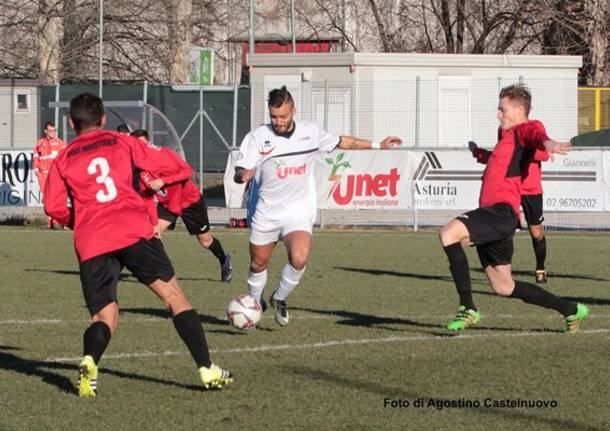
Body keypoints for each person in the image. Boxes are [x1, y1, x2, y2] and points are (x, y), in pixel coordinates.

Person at [43, 93, 233, 397]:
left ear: (70, 123)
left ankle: (90, 360)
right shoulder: (123, 142)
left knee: (104, 316)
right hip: (133, 229)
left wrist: (80, 222)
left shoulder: (63, 158)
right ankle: (207, 369)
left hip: (93, 240)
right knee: (174, 297)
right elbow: (171, 165)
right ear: (103, 119)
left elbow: (52, 207)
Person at [234, 86, 402, 326]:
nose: (278, 121)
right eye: (273, 116)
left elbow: (345, 142)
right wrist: (243, 175)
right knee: (258, 263)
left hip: (298, 210)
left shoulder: (310, 132)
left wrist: (378, 145)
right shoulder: (258, 137)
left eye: (283, 116)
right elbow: (240, 171)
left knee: (299, 258)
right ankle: (253, 302)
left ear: (294, 111)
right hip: (267, 211)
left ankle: (279, 298)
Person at [439, 83, 588, 333]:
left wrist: (548, 143)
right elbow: (501, 161)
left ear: (519, 110)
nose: (498, 114)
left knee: (448, 233)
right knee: (504, 286)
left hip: (500, 212)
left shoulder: (523, 130)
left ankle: (468, 307)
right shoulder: (505, 137)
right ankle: (571, 310)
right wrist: (480, 154)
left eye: (502, 109)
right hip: (497, 216)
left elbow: (536, 131)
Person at [130, 129, 233, 283]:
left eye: (144, 144)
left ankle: (224, 260)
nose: (143, 148)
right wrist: (153, 223)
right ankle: (159, 271)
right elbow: (148, 199)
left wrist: (163, 181)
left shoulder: (165, 154)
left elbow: (187, 171)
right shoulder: (139, 171)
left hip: (189, 202)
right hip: (167, 205)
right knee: (152, 233)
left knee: (205, 241)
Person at [469, 140, 550, 283]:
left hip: (531, 190)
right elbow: (496, 158)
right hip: (509, 189)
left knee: (536, 232)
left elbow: (544, 155)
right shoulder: (507, 134)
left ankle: (540, 268)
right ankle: (503, 273)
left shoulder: (529, 133)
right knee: (506, 229)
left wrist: (534, 149)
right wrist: (477, 152)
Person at [34, 121, 66, 228]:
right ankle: (50, 221)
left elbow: (65, 160)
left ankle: (56, 221)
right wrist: (38, 174)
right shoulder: (39, 143)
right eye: (51, 130)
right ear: (45, 131)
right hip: (44, 175)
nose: (53, 133)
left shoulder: (61, 143)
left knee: (56, 198)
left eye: (54, 130)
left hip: (56, 176)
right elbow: (35, 160)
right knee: (47, 199)